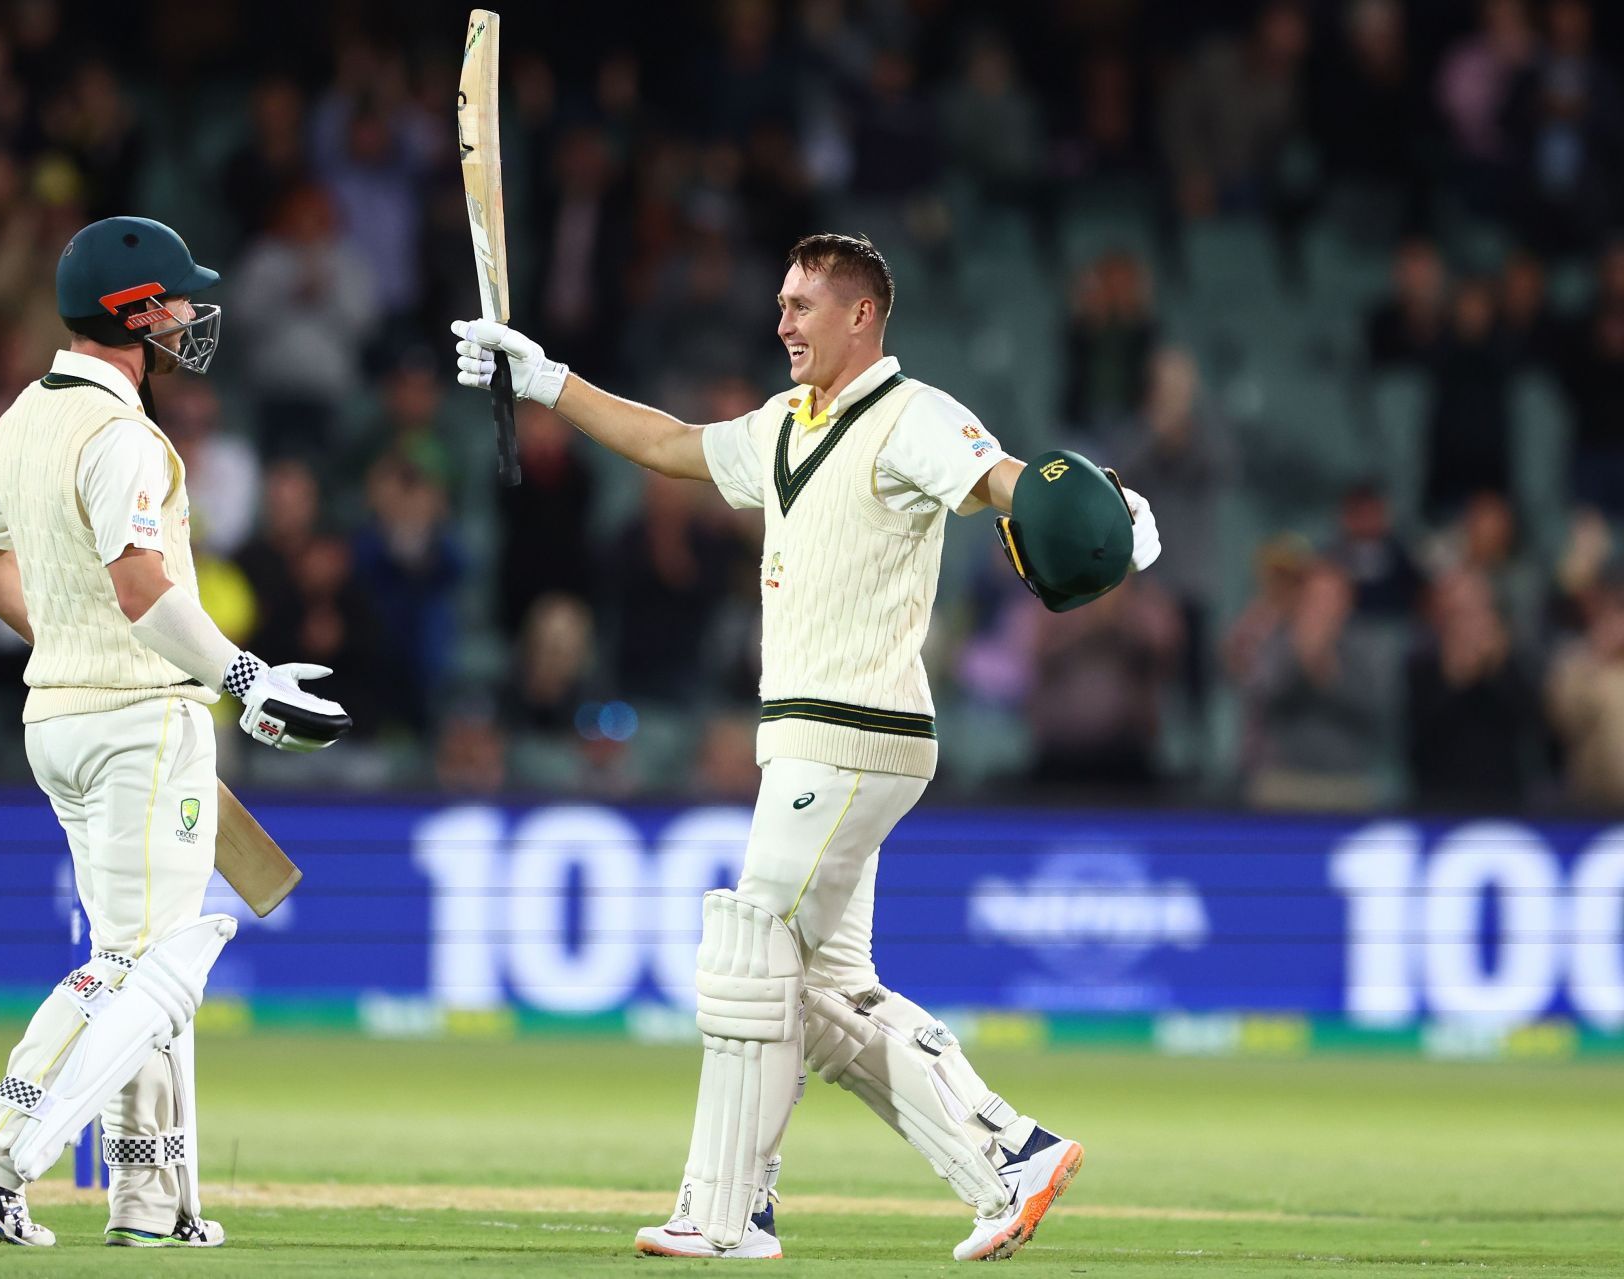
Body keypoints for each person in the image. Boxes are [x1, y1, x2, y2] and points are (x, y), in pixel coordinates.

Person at [452, 233, 1161, 1263]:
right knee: (818, 992)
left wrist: (1101, 502)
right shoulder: (789, 422)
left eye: (802, 306)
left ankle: (725, 1209)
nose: (781, 322)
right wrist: (545, 377)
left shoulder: (913, 415)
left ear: (862, 315)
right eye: (781, 304)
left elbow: (1003, 480)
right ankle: (1009, 1152)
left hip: (856, 731)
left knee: (748, 948)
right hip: (812, 743)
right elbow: (673, 443)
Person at [0, 216, 351, 1248]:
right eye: (172, 299)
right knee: (158, 965)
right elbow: (140, 585)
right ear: (131, 315)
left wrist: (74, 640)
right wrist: (244, 675)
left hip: (60, 720)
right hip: (138, 724)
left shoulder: (25, 416)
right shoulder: (123, 436)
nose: (186, 315)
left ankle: (149, 1204)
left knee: (128, 962)